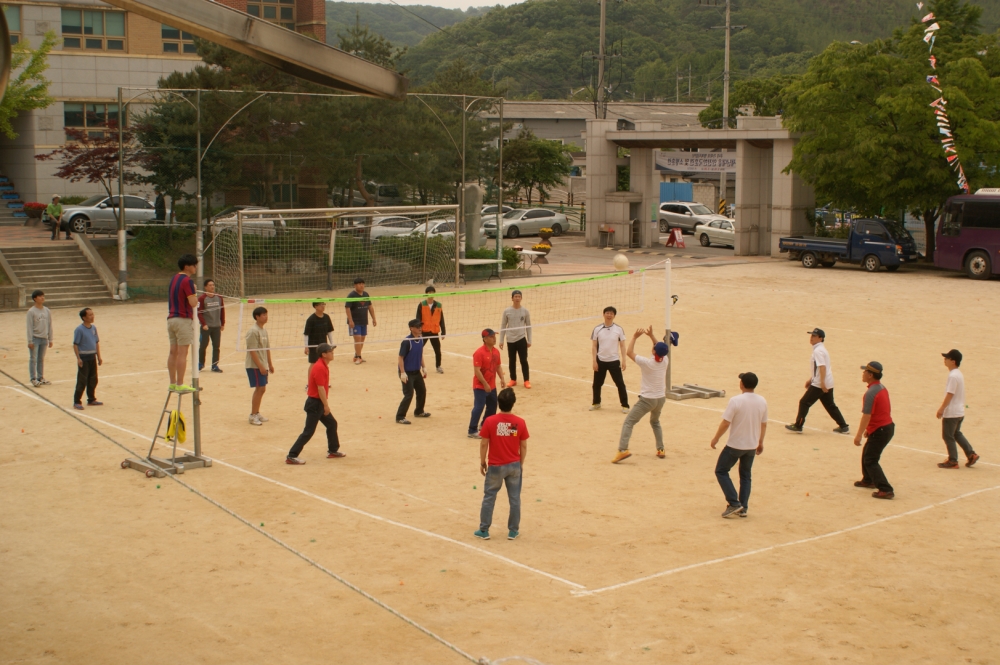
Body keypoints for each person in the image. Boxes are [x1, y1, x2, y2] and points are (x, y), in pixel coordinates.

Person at [710, 373, 768, 518]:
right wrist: (760, 442)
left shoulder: (736, 400)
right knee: (746, 476)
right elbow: (764, 423)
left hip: (735, 444)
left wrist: (716, 438)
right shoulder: (762, 401)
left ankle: (734, 502)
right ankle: (743, 507)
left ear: (741, 384)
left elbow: (726, 422)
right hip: (751, 445)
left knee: (721, 471)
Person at [474, 387, 529, 541]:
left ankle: (484, 529)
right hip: (513, 465)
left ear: (498, 403)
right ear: (513, 403)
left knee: (489, 497)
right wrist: (521, 463)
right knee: (514, 499)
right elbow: (523, 445)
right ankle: (513, 530)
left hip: (496, 466)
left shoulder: (490, 421)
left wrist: (482, 461)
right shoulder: (519, 423)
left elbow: (484, 443)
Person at [613, 326, 668, 463]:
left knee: (629, 422)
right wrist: (651, 336)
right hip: (660, 398)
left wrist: (634, 337)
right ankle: (660, 448)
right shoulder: (665, 361)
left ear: (654, 351)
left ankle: (622, 450)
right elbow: (660, 348)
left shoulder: (647, 363)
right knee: (655, 422)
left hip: (647, 399)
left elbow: (629, 352)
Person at [286, 343, 345, 464]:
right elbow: (320, 388)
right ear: (324, 354)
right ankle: (292, 455)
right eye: (330, 351)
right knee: (308, 431)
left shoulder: (323, 365)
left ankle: (333, 450)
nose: (332, 353)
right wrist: (326, 405)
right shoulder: (319, 367)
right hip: (315, 404)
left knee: (332, 424)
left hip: (317, 403)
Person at [786, 328, 849, 434]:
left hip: (820, 383)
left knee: (804, 402)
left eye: (814, 336)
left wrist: (822, 383)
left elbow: (822, 367)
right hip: (826, 381)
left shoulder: (818, 351)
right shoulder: (821, 349)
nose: (811, 338)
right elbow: (819, 368)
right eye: (812, 336)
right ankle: (843, 426)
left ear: (821, 338)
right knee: (830, 405)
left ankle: (798, 425)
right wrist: (811, 379)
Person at [853, 361, 895, 500]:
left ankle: (885, 488)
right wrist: (870, 429)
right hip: (885, 427)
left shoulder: (870, 393)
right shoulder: (881, 388)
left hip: (881, 430)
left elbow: (867, 415)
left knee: (870, 459)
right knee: (867, 453)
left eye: (865, 372)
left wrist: (859, 434)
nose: (863, 373)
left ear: (870, 375)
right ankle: (868, 479)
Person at [936, 349, 979, 468]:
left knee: (948, 436)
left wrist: (941, 409)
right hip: (960, 411)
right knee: (957, 434)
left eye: (947, 358)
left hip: (952, 412)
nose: (945, 360)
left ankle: (953, 460)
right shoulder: (958, 374)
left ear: (953, 361)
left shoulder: (953, 376)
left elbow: (950, 394)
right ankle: (971, 454)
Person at [167, 254, 199, 392]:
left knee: (173, 352)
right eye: (194, 265)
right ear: (187, 267)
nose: (195, 267)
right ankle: (180, 383)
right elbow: (193, 303)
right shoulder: (187, 281)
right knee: (182, 353)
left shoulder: (174, 278)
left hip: (171, 319)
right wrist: (195, 293)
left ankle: (173, 382)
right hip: (183, 319)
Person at [468, 328, 506, 439]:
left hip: (491, 385)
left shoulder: (496, 351)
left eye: (494, 336)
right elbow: (477, 370)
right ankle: (472, 429)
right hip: (480, 386)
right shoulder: (479, 353)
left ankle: (484, 424)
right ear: (485, 339)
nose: (494, 338)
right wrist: (485, 384)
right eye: (491, 336)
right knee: (479, 407)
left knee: (492, 406)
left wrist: (502, 378)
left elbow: (498, 366)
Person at [591, 306, 629, 413]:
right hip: (600, 361)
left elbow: (622, 345)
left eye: (611, 313)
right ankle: (596, 403)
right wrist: (594, 361)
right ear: (603, 314)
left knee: (620, 384)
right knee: (597, 384)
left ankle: (625, 405)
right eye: (607, 313)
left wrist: (624, 360)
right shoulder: (597, 329)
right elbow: (594, 346)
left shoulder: (619, 329)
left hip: (614, 361)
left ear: (614, 316)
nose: (609, 315)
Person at [396, 319, 430, 424]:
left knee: (422, 391)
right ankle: (400, 416)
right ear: (411, 328)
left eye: (420, 326)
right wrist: (402, 373)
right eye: (417, 326)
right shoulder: (407, 342)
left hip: (416, 371)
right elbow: (400, 358)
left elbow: (420, 354)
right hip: (407, 373)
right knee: (408, 394)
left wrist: (423, 367)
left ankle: (419, 411)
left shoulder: (420, 339)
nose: (420, 328)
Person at [245, 306, 274, 426]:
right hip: (254, 365)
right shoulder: (253, 331)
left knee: (262, 389)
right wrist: (260, 366)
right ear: (257, 317)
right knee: (260, 388)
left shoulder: (264, 330)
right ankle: (253, 415)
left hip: (263, 364)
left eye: (266, 314)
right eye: (263, 315)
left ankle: (256, 412)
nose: (266, 317)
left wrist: (270, 364)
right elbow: (252, 350)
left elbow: (267, 349)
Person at [499, 290, 532, 388]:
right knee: (511, 360)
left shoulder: (525, 311)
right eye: (515, 296)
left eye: (519, 296)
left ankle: (526, 380)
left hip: (521, 338)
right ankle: (513, 379)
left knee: (524, 360)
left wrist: (529, 340)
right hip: (510, 339)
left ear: (521, 298)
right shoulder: (507, 311)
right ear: (512, 298)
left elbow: (528, 326)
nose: (517, 298)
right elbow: (503, 326)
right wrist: (501, 340)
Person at [72, 307, 103, 410]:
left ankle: (91, 399)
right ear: (84, 317)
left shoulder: (93, 328)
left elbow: (96, 343)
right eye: (90, 315)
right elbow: (75, 345)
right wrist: (78, 358)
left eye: (92, 314)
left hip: (92, 356)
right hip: (84, 357)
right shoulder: (79, 330)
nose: (92, 316)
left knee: (93, 379)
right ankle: (77, 401)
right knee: (82, 380)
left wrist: (99, 356)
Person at [345, 277, 377, 364]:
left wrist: (374, 318)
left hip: (364, 321)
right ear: (355, 285)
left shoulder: (366, 294)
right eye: (359, 284)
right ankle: (359, 357)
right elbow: (347, 308)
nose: (361, 285)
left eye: (362, 284)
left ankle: (356, 355)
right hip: (355, 321)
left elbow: (370, 307)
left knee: (362, 339)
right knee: (358, 339)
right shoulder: (351, 295)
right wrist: (350, 320)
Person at [26, 290, 53, 387]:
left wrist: (50, 339)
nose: (42, 298)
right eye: (40, 296)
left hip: (44, 338)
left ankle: (40, 377)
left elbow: (49, 325)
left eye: (43, 296)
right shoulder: (31, 311)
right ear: (35, 298)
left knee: (41, 359)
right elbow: (29, 327)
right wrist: (30, 340)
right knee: (33, 359)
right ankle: (33, 378)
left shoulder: (47, 310)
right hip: (35, 338)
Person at [197, 279, 225, 373]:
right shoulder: (202, 298)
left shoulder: (219, 297)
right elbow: (199, 312)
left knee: (216, 346)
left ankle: (215, 365)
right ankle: (201, 363)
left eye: (213, 285)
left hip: (216, 326)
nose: (212, 287)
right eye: (210, 285)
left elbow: (222, 311)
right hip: (206, 327)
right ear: (205, 287)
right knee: (203, 345)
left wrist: (222, 323)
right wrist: (203, 324)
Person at [417, 286, 446, 374]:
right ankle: (416, 366)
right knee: (417, 349)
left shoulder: (438, 305)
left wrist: (443, 331)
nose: (430, 294)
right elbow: (418, 318)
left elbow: (441, 319)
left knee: (437, 350)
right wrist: (418, 331)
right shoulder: (422, 304)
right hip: (424, 331)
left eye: (432, 292)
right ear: (426, 293)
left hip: (434, 331)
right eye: (429, 292)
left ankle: (438, 366)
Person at [303, 301, 334, 384]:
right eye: (321, 305)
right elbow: (306, 334)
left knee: (324, 363)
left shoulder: (327, 317)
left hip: (323, 345)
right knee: (313, 364)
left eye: (323, 304)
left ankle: (324, 382)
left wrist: (332, 343)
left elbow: (329, 331)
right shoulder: (311, 319)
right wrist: (306, 346)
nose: (323, 306)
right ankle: (309, 384)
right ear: (316, 307)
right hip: (313, 345)